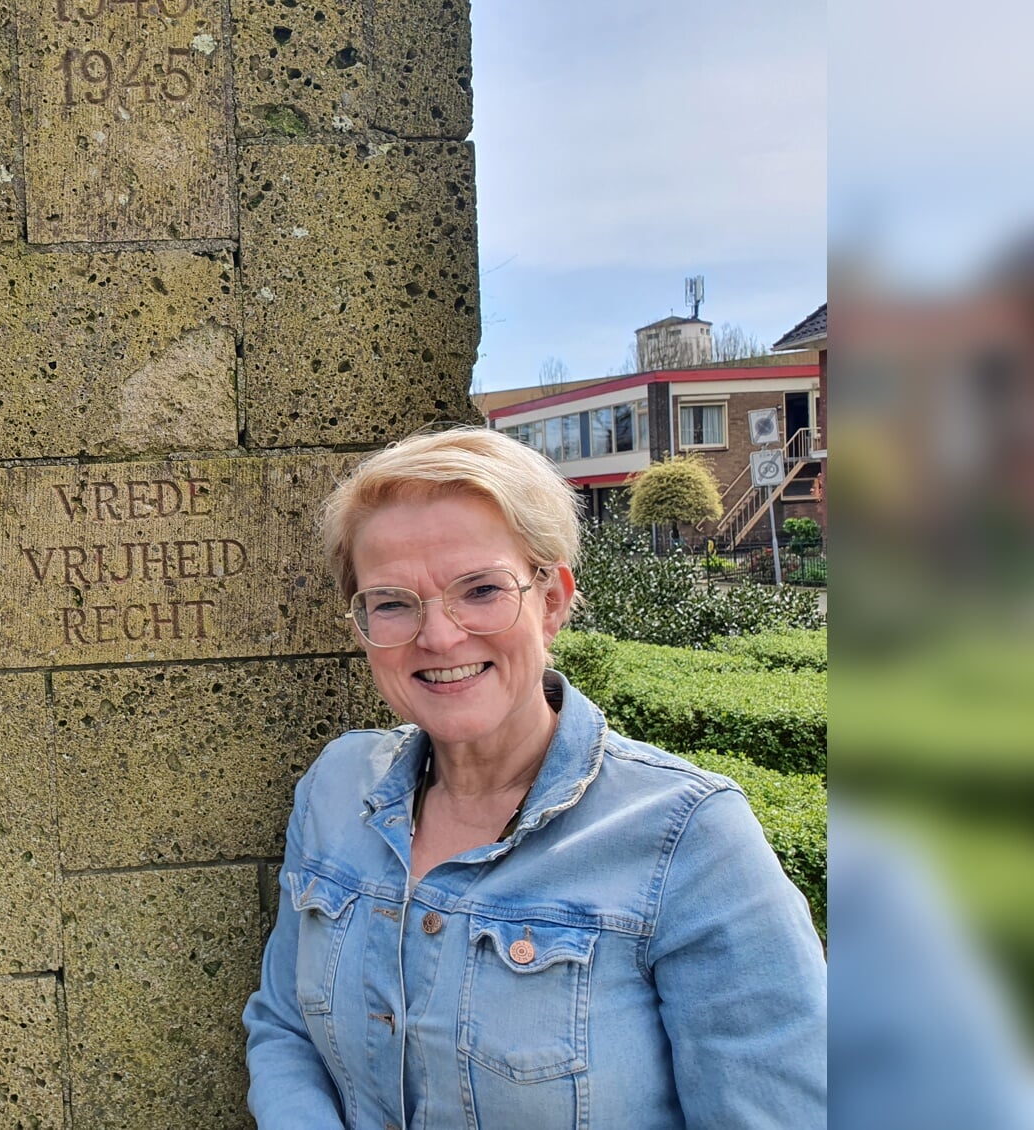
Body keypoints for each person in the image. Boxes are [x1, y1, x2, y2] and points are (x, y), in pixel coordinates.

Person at [243, 426, 825, 1128]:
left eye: (481, 590)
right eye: (393, 602)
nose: (440, 637)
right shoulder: (335, 789)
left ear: (551, 600)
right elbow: (284, 1029)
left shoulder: (689, 840)